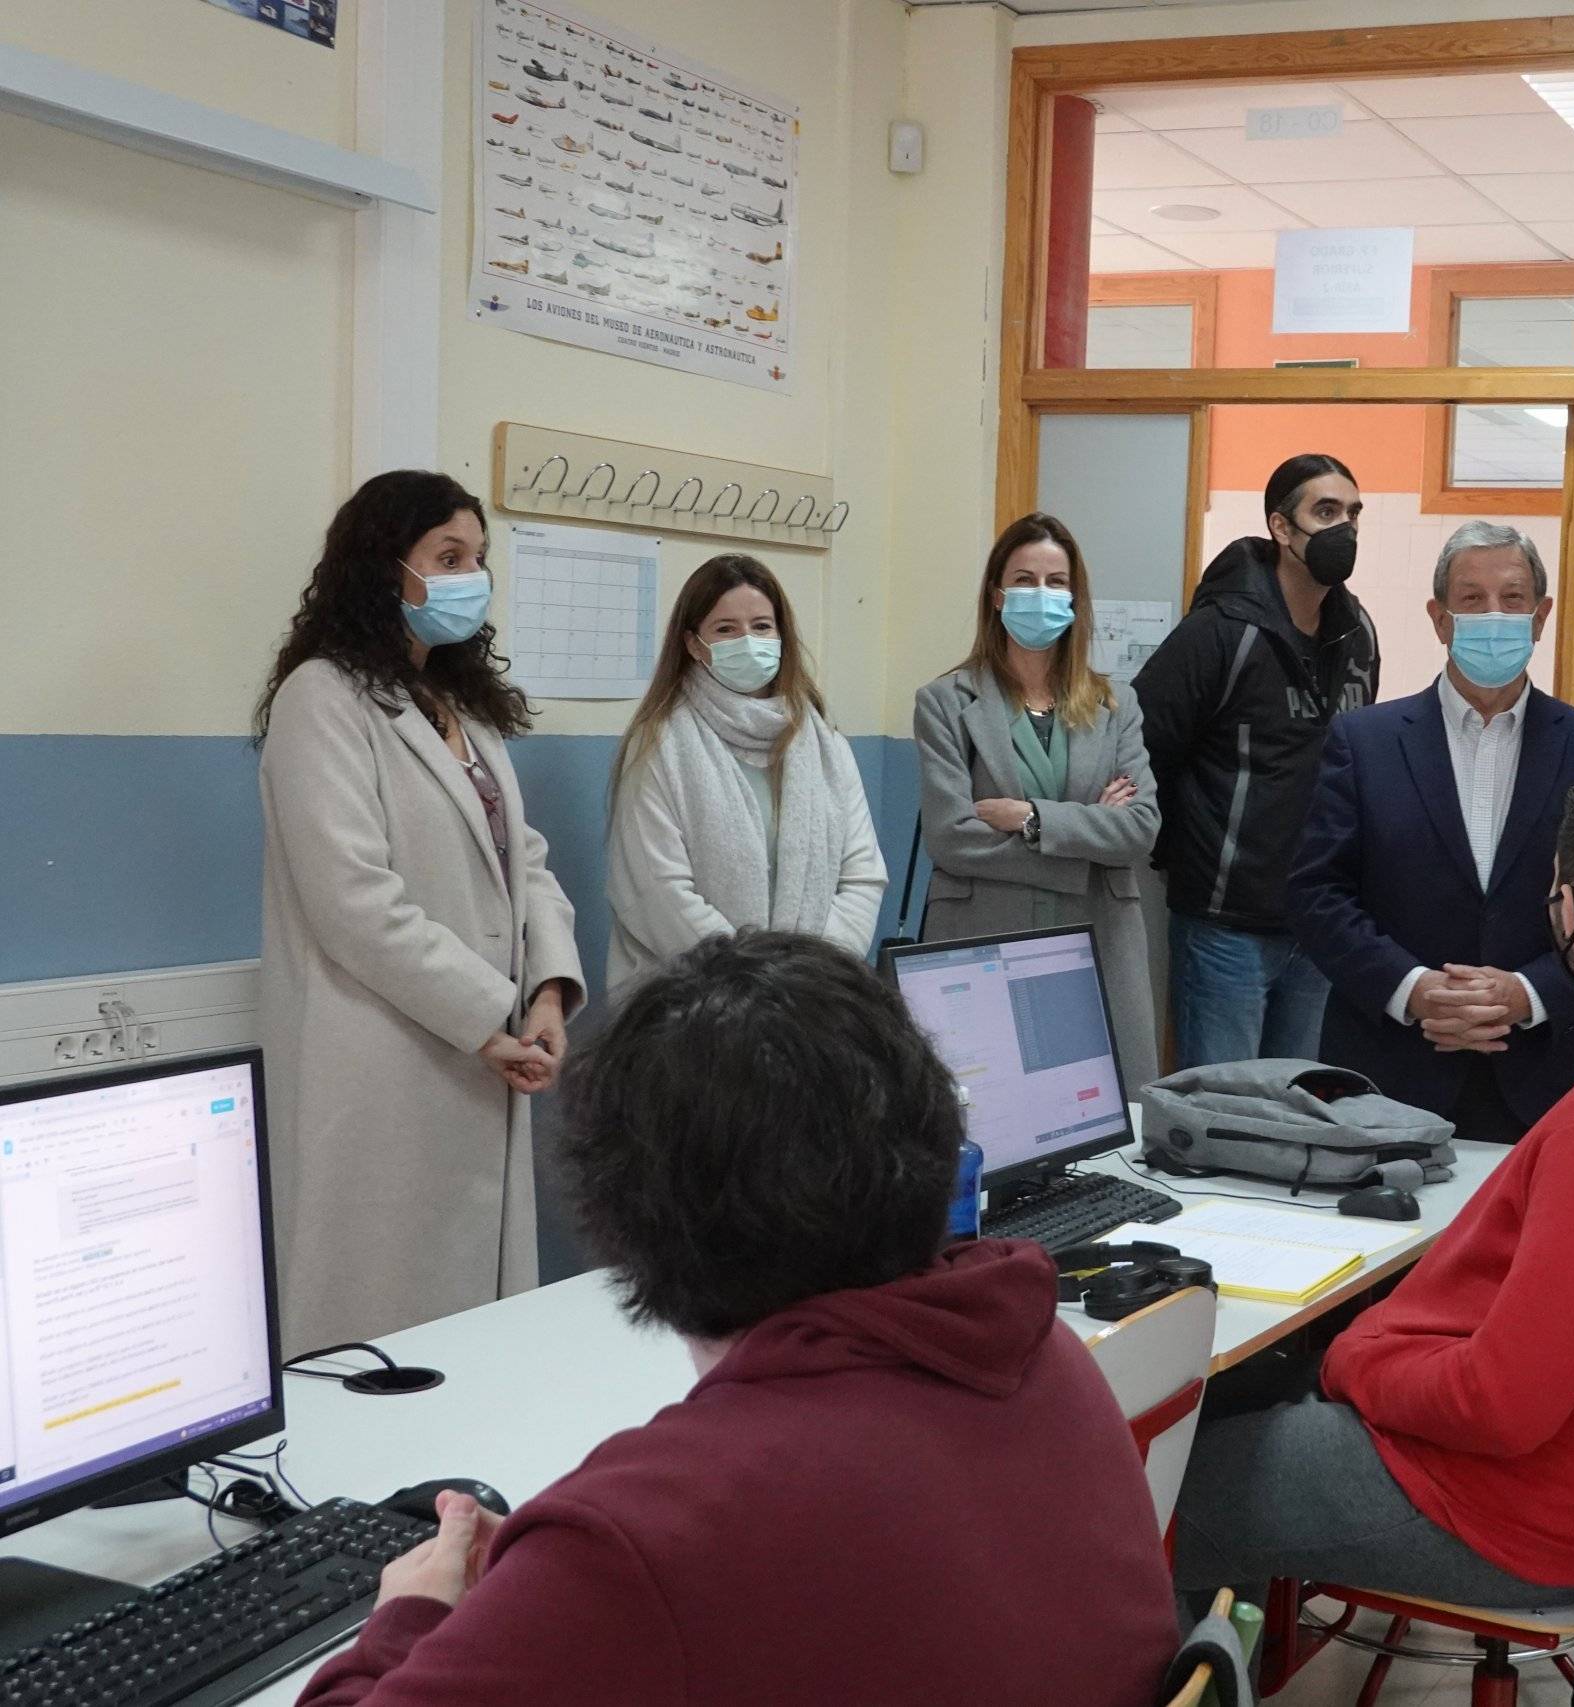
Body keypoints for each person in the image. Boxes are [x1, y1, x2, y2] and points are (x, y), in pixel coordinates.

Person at [296, 933, 1180, 1707]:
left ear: (629, 1215)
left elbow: (703, 1554)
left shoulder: (643, 1541)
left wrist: (411, 1615)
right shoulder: (1044, 1352)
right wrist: (541, 1596)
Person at [1173, 774, 1574, 1607]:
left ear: (1571, 910)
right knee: (1247, 1401)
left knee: (1145, 1493)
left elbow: (1502, 1404)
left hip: (1511, 1507)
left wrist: (1355, 1361)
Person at [254, 470, 584, 1353]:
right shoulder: (320, 699)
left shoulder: (460, 707)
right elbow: (352, 898)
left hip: (486, 1048)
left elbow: (530, 862)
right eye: (448, 556)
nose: (470, 576)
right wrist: (487, 1014)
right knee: (373, 1330)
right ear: (383, 567)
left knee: (470, 1340)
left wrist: (548, 992)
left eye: (479, 558)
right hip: (384, 1060)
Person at [1291, 521, 1574, 1142]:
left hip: (1538, 1072)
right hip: (1390, 1072)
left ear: (1541, 615)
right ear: (1440, 619)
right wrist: (1414, 990)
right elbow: (1317, 895)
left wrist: (1527, 993)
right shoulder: (1363, 742)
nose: (1493, 613)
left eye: (1513, 598)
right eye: (1471, 599)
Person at [1134, 453, 1379, 1069]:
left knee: (1298, 1114)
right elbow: (1144, 749)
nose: (1342, 528)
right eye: (1325, 511)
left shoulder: (1359, 634)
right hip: (1225, 929)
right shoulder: (1219, 632)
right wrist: (1182, 856)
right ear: (1281, 527)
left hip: (1320, 923)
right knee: (1226, 1113)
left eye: (1352, 513)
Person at [913, 514, 1161, 1089]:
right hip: (985, 934)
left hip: (1097, 934)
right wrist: (1089, 836)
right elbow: (952, 837)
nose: (1039, 594)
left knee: (1098, 1111)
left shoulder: (1116, 703)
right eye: (1023, 580)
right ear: (997, 595)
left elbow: (1141, 829)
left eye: (1055, 582)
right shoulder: (946, 702)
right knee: (987, 1108)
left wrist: (1030, 819)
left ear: (1075, 597)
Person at [604, 554, 885, 995]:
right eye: (726, 629)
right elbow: (658, 893)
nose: (748, 640)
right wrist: (752, 985)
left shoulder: (826, 744)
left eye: (761, 626)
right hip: (689, 1002)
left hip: (813, 999)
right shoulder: (659, 744)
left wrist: (810, 974)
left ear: (781, 635)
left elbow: (861, 875)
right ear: (695, 645)